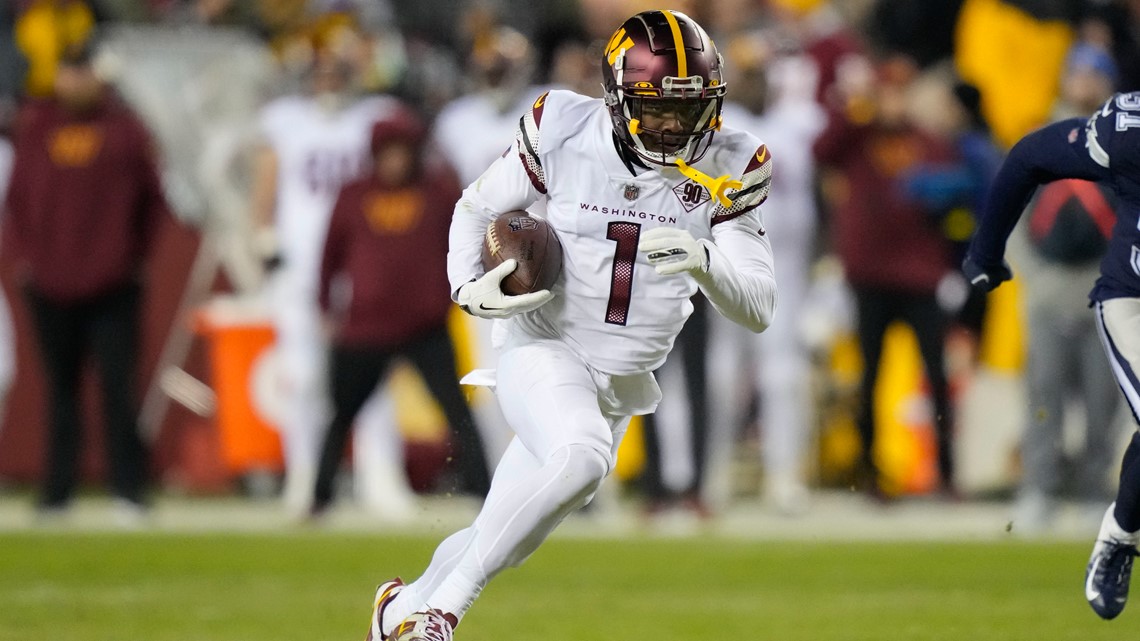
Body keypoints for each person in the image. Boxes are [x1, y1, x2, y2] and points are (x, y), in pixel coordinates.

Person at [364, 10, 777, 641]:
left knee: (505, 532)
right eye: (655, 109)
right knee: (582, 460)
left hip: (621, 377)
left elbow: (759, 308)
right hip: (546, 344)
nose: (671, 126)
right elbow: (477, 206)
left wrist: (707, 263)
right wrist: (466, 288)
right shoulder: (562, 128)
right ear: (615, 98)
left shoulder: (732, 162)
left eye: (688, 112)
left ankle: (396, 611)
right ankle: (439, 616)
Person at [962, 91, 1140, 622]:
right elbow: (1030, 157)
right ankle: (1119, 536)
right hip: (1133, 300)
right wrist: (986, 250)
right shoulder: (1128, 130)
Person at [2, 45, 169, 518]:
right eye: (67, 73)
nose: (75, 83)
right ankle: (57, 492)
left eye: (83, 73)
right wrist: (29, 261)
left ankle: (129, 490)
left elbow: (153, 201)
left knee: (119, 388)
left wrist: (136, 258)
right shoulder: (35, 128)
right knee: (60, 389)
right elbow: (17, 201)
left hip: (114, 281)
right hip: (50, 281)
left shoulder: (124, 130)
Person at [250, 46, 407, 517]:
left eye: (339, 70)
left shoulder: (375, 119)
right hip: (300, 267)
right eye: (322, 72)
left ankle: (381, 478)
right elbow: (267, 179)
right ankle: (305, 478)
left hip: (359, 266)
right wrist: (263, 233)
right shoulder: (287, 120)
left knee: (370, 377)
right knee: (301, 377)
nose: (330, 81)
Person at [312, 108, 491, 517]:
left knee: (457, 412)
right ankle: (318, 498)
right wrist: (325, 306)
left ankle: (485, 494)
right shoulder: (354, 194)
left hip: (425, 327)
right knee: (341, 415)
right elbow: (329, 256)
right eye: (388, 152)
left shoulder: (439, 193)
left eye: (403, 151)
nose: (395, 161)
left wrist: (452, 296)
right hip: (364, 328)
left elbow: (467, 243)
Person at [813, 56, 962, 500]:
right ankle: (870, 473)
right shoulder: (857, 139)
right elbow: (820, 152)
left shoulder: (929, 142)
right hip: (871, 274)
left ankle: (947, 473)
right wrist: (854, 110)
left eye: (901, 92)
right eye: (887, 92)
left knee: (936, 377)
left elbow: (956, 193)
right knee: (870, 376)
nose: (894, 102)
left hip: (919, 275)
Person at [1007, 43, 1122, 534]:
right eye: (1076, 72)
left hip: (1105, 289)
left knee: (1103, 403)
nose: (1084, 82)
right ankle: (1040, 489)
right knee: (1042, 398)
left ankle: (1096, 491)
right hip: (1051, 287)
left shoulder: (1125, 145)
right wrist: (1031, 273)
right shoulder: (1041, 139)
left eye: (1093, 74)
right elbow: (1012, 210)